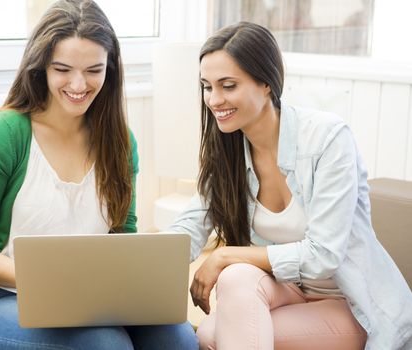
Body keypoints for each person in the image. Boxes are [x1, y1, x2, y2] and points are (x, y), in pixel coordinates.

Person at [0, 1, 198, 349]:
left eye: (94, 69)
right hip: (0, 300)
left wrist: (134, 286)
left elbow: (123, 234)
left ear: (110, 70)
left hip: (94, 301)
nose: (79, 84)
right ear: (41, 67)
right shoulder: (6, 134)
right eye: (62, 68)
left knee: (177, 335)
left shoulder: (120, 142)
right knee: (107, 344)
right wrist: (47, 281)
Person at [169, 22, 412, 350]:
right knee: (235, 278)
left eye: (228, 85)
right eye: (207, 86)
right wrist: (146, 258)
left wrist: (225, 254)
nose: (214, 100)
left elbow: (323, 255)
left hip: (349, 302)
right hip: (287, 292)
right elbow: (193, 222)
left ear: (267, 82)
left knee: (215, 333)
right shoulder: (228, 151)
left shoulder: (328, 139)